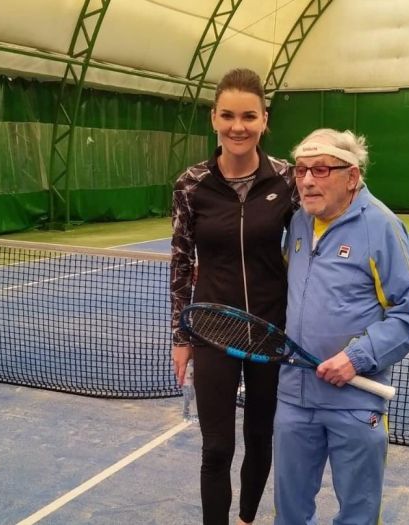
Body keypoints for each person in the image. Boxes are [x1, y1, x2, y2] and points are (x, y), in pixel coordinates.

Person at [273, 128, 409, 524]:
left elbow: (407, 315)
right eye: (301, 170)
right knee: (289, 513)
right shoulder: (299, 223)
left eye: (321, 170)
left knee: (358, 514)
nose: (307, 180)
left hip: (355, 402)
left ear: (352, 176)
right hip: (293, 398)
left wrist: (355, 358)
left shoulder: (382, 226)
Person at [170, 68, 297, 525]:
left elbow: (311, 250)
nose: (237, 126)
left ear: (264, 120)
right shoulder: (190, 184)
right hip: (211, 332)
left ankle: (246, 519)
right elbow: (181, 261)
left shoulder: (288, 180)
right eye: (227, 116)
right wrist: (180, 336)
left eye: (248, 116)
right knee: (217, 447)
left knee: (260, 437)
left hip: (269, 329)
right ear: (213, 118)